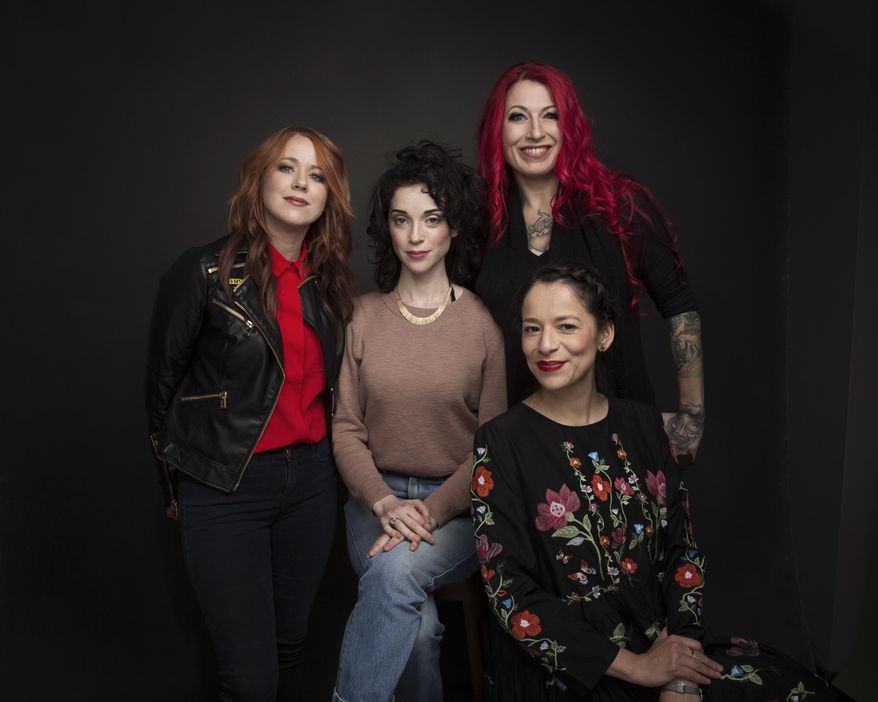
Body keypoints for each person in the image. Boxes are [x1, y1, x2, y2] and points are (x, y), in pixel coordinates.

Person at [471, 262, 849, 701]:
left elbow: (681, 552)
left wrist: (680, 671)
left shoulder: (645, 425)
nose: (546, 344)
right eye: (532, 329)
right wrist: (636, 668)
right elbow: (509, 594)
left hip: (661, 642)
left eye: (566, 326)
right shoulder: (500, 443)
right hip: (568, 667)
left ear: (605, 334)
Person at [145, 126, 355, 701]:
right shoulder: (204, 273)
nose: (300, 184)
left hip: (310, 485)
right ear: (259, 178)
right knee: (251, 678)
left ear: (329, 197)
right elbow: (161, 389)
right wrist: (179, 487)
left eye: (317, 176)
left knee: (292, 653)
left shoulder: (330, 282)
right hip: (226, 487)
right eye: (287, 168)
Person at [331, 142, 506, 702]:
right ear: (388, 229)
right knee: (422, 625)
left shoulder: (481, 326)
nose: (415, 236)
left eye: (431, 220)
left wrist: (429, 509)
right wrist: (384, 502)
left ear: (453, 228)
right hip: (372, 504)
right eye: (402, 220)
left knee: (393, 578)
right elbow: (346, 429)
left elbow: (492, 448)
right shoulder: (360, 317)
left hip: (456, 511)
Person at [475, 62, 704, 461]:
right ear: (498, 129)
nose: (534, 132)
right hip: (518, 452)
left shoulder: (621, 206)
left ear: (571, 127)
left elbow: (679, 308)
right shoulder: (478, 220)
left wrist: (693, 418)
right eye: (517, 117)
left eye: (550, 115)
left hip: (622, 444)